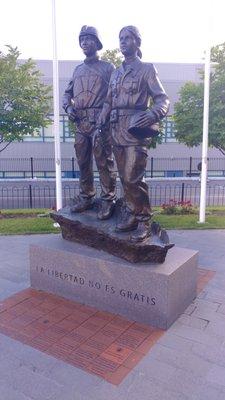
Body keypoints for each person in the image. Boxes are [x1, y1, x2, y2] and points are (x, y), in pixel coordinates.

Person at [98, 26, 170, 241]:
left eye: (128, 38)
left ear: (137, 43)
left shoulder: (147, 69)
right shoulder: (116, 73)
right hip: (115, 129)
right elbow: (109, 100)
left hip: (135, 129)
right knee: (123, 177)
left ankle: (143, 221)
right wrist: (103, 115)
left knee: (132, 178)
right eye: (121, 38)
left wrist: (153, 114)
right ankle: (131, 213)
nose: (123, 42)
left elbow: (162, 99)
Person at [63, 25, 116, 220]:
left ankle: (108, 200)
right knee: (83, 162)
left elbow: (113, 95)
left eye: (88, 38)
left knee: (104, 162)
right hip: (80, 122)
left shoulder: (108, 68)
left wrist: (105, 118)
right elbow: (67, 94)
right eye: (81, 39)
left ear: (97, 42)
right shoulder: (77, 70)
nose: (84, 42)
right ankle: (86, 196)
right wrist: (68, 108)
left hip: (100, 122)